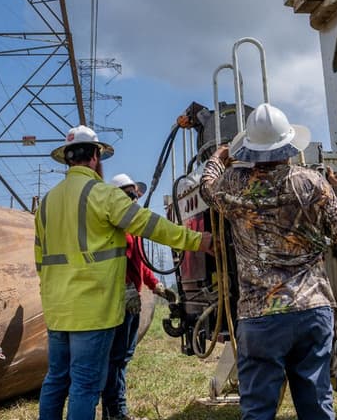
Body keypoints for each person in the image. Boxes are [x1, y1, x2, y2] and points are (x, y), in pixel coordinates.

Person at [35, 126, 212, 420]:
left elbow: (40, 261)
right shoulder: (102, 194)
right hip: (93, 310)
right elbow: (149, 224)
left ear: (67, 159)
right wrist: (197, 240)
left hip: (57, 309)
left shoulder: (46, 203)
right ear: (95, 156)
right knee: (85, 385)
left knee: (56, 380)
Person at [199, 103, 337, 420]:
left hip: (260, 316)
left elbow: (206, 188)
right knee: (316, 406)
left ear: (250, 150)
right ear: (288, 145)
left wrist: (216, 159)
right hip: (312, 310)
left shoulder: (233, 182)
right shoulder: (310, 182)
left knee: (258, 409)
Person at [100, 173, 177, 420]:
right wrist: (124, 288)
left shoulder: (130, 228)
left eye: (136, 195)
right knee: (116, 358)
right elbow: (110, 261)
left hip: (131, 299)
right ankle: (116, 412)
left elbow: (139, 263)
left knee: (123, 355)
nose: (136, 200)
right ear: (119, 196)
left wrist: (157, 286)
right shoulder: (112, 226)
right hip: (119, 300)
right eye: (132, 195)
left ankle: (113, 412)